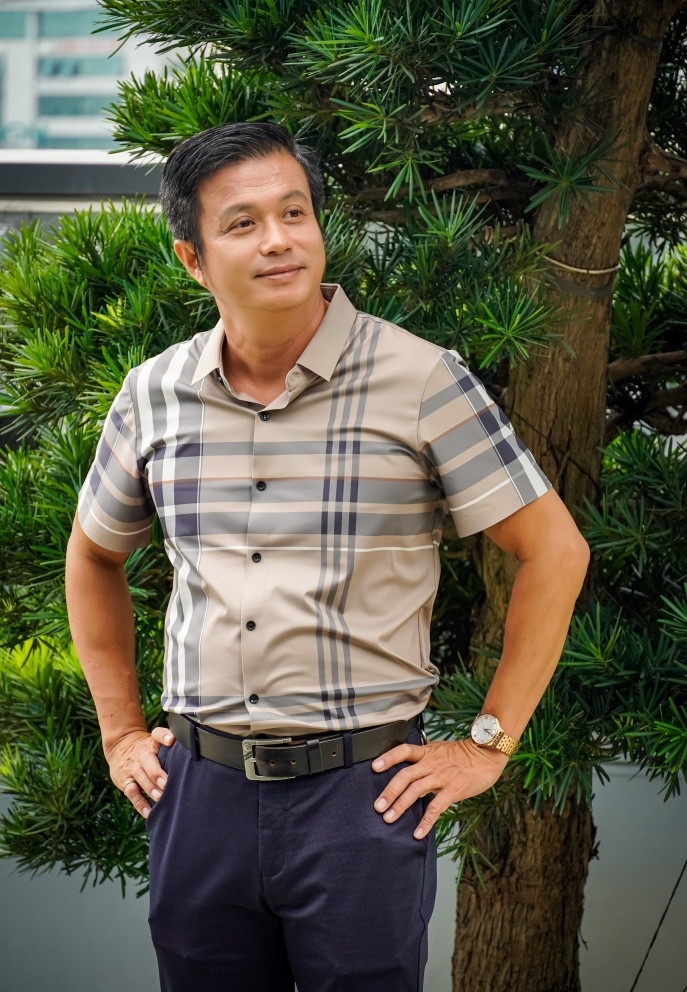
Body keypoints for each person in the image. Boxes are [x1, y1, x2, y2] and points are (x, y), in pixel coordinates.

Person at [65, 122, 590, 992]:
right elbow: (92, 556)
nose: (278, 240)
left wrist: (488, 745)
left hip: (361, 798)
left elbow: (554, 552)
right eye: (242, 224)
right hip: (197, 794)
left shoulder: (421, 379)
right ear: (193, 259)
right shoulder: (152, 393)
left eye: (294, 213)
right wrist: (120, 732)